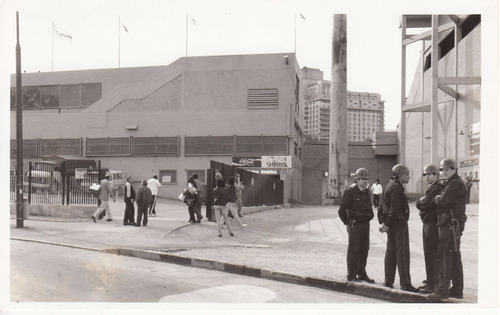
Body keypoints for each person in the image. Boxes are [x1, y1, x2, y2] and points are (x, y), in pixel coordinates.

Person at [427, 158, 467, 301]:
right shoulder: (453, 183)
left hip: (450, 224)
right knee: (454, 255)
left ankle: (442, 291)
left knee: (443, 254)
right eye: (442, 170)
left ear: (454, 169)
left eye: (446, 170)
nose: (443, 172)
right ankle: (456, 289)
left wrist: (437, 198)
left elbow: (442, 202)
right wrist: (439, 198)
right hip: (453, 224)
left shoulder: (454, 184)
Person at [381, 164, 419, 292]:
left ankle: (388, 280)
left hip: (391, 225)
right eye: (407, 174)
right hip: (399, 224)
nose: (409, 177)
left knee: (390, 252)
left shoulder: (388, 186)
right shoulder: (397, 188)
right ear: (401, 175)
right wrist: (388, 223)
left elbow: (382, 207)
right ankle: (405, 283)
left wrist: (385, 223)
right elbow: (395, 209)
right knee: (402, 253)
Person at [338, 168, 375, 283]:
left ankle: (362, 273)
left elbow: (369, 206)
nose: (365, 181)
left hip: (365, 224)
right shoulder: (350, 192)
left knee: (364, 249)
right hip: (355, 225)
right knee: (354, 250)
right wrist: (348, 222)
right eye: (362, 179)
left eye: (366, 179)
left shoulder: (367, 192)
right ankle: (352, 275)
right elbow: (342, 210)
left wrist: (370, 215)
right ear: (357, 180)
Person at [416, 164, 442, 294]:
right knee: (429, 253)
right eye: (425, 174)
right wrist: (422, 202)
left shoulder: (436, 188)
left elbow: (424, 203)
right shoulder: (432, 188)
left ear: (436, 175)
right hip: (428, 223)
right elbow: (422, 203)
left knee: (431, 254)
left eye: (429, 174)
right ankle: (431, 280)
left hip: (432, 224)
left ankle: (433, 284)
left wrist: (421, 201)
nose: (426, 177)